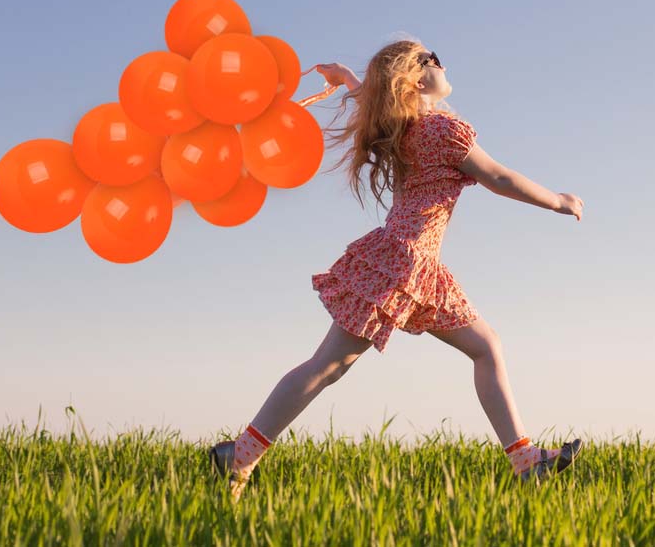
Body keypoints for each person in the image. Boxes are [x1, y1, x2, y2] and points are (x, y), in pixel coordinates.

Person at [210, 40, 586, 502]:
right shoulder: (444, 130)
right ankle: (240, 454)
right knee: (328, 365)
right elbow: (499, 178)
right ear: (415, 79)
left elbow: (375, 100)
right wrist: (559, 201)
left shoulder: (402, 126)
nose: (443, 63)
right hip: (403, 263)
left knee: (480, 347)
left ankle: (526, 460)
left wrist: (347, 79)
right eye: (433, 59)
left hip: (410, 263)